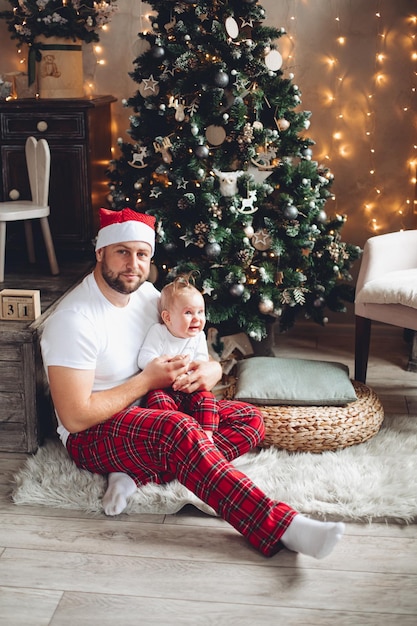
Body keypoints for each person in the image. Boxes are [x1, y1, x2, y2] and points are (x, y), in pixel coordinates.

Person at [40, 207, 344, 559]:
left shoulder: (147, 297)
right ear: (100, 252)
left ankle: (134, 475)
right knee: (180, 429)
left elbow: (189, 343)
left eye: (142, 254)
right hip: (94, 433)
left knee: (249, 420)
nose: (132, 264)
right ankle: (282, 525)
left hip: (157, 409)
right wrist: (146, 381)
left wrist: (212, 370)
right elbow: (75, 417)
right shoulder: (73, 320)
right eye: (122, 251)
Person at [137, 272, 218, 441]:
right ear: (167, 318)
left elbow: (202, 360)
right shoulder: (159, 332)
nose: (197, 318)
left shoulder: (198, 336)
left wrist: (188, 370)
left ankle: (206, 438)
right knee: (156, 399)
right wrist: (165, 364)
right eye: (188, 312)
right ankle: (174, 436)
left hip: (189, 388)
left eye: (200, 312)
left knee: (207, 398)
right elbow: (144, 358)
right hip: (164, 389)